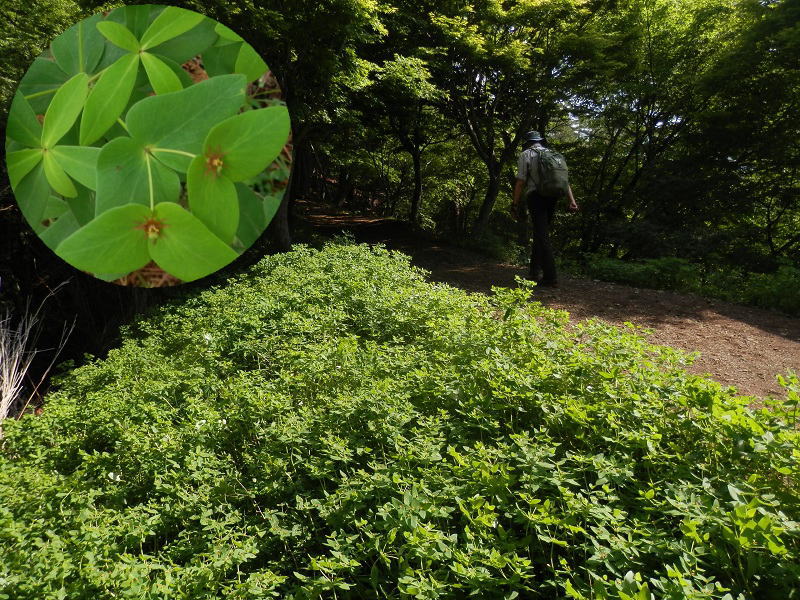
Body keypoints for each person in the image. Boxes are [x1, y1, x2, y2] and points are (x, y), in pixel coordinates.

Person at [512, 131, 579, 287]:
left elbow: (521, 181)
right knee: (540, 232)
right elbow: (565, 182)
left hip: (536, 196)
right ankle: (534, 271)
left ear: (527, 143)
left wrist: (514, 204)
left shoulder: (526, 154)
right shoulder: (554, 155)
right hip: (553, 196)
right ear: (540, 141)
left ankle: (550, 277)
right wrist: (572, 201)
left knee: (542, 235)